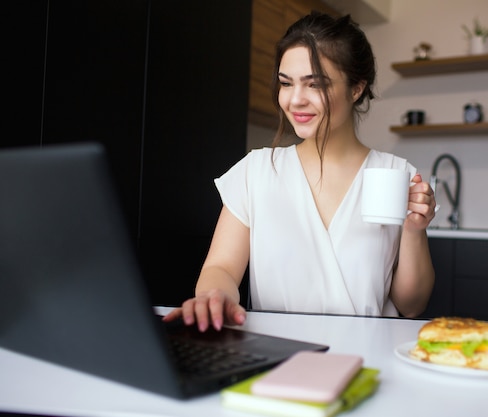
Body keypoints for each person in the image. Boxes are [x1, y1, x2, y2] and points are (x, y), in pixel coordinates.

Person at [164, 12, 436, 331]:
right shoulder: (256, 172)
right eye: (285, 83)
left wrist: (415, 229)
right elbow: (221, 268)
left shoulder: (394, 174)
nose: (295, 100)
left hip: (370, 357)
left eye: (314, 84)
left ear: (356, 88)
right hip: (280, 355)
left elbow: (412, 305)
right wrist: (214, 297)